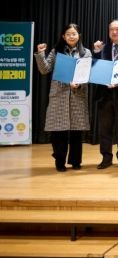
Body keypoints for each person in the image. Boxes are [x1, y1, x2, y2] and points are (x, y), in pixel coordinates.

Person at [34, 23, 92, 172]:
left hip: (78, 96)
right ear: (63, 36)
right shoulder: (56, 51)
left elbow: (87, 73)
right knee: (58, 132)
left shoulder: (86, 53)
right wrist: (40, 54)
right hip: (59, 95)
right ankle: (59, 161)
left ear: (79, 36)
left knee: (76, 132)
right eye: (68, 34)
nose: (71, 36)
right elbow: (44, 69)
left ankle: (75, 161)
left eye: (74, 33)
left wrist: (79, 83)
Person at [93, 19, 118, 169]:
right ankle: (106, 158)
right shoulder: (102, 48)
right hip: (105, 94)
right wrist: (96, 53)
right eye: (112, 29)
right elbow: (95, 68)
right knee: (104, 129)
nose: (114, 32)